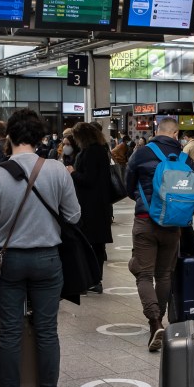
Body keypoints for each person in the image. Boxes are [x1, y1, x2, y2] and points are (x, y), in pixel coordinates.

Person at [0, 109, 81, 387]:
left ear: (8, 138)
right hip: (48, 258)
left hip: (9, 261)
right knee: (47, 331)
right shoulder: (57, 170)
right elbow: (73, 216)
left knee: (9, 332)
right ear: (40, 138)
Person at [125, 117, 186, 352]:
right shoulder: (183, 157)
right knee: (163, 275)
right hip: (173, 223)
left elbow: (128, 185)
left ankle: (154, 322)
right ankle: (159, 320)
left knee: (143, 274)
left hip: (146, 221)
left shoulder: (142, 153)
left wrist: (144, 199)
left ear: (157, 131)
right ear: (176, 134)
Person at [69, 121, 112, 294]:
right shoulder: (101, 150)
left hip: (89, 206)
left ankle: (91, 280)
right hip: (100, 205)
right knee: (97, 244)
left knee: (87, 243)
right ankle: (95, 279)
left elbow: (88, 179)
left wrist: (72, 172)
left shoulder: (90, 152)